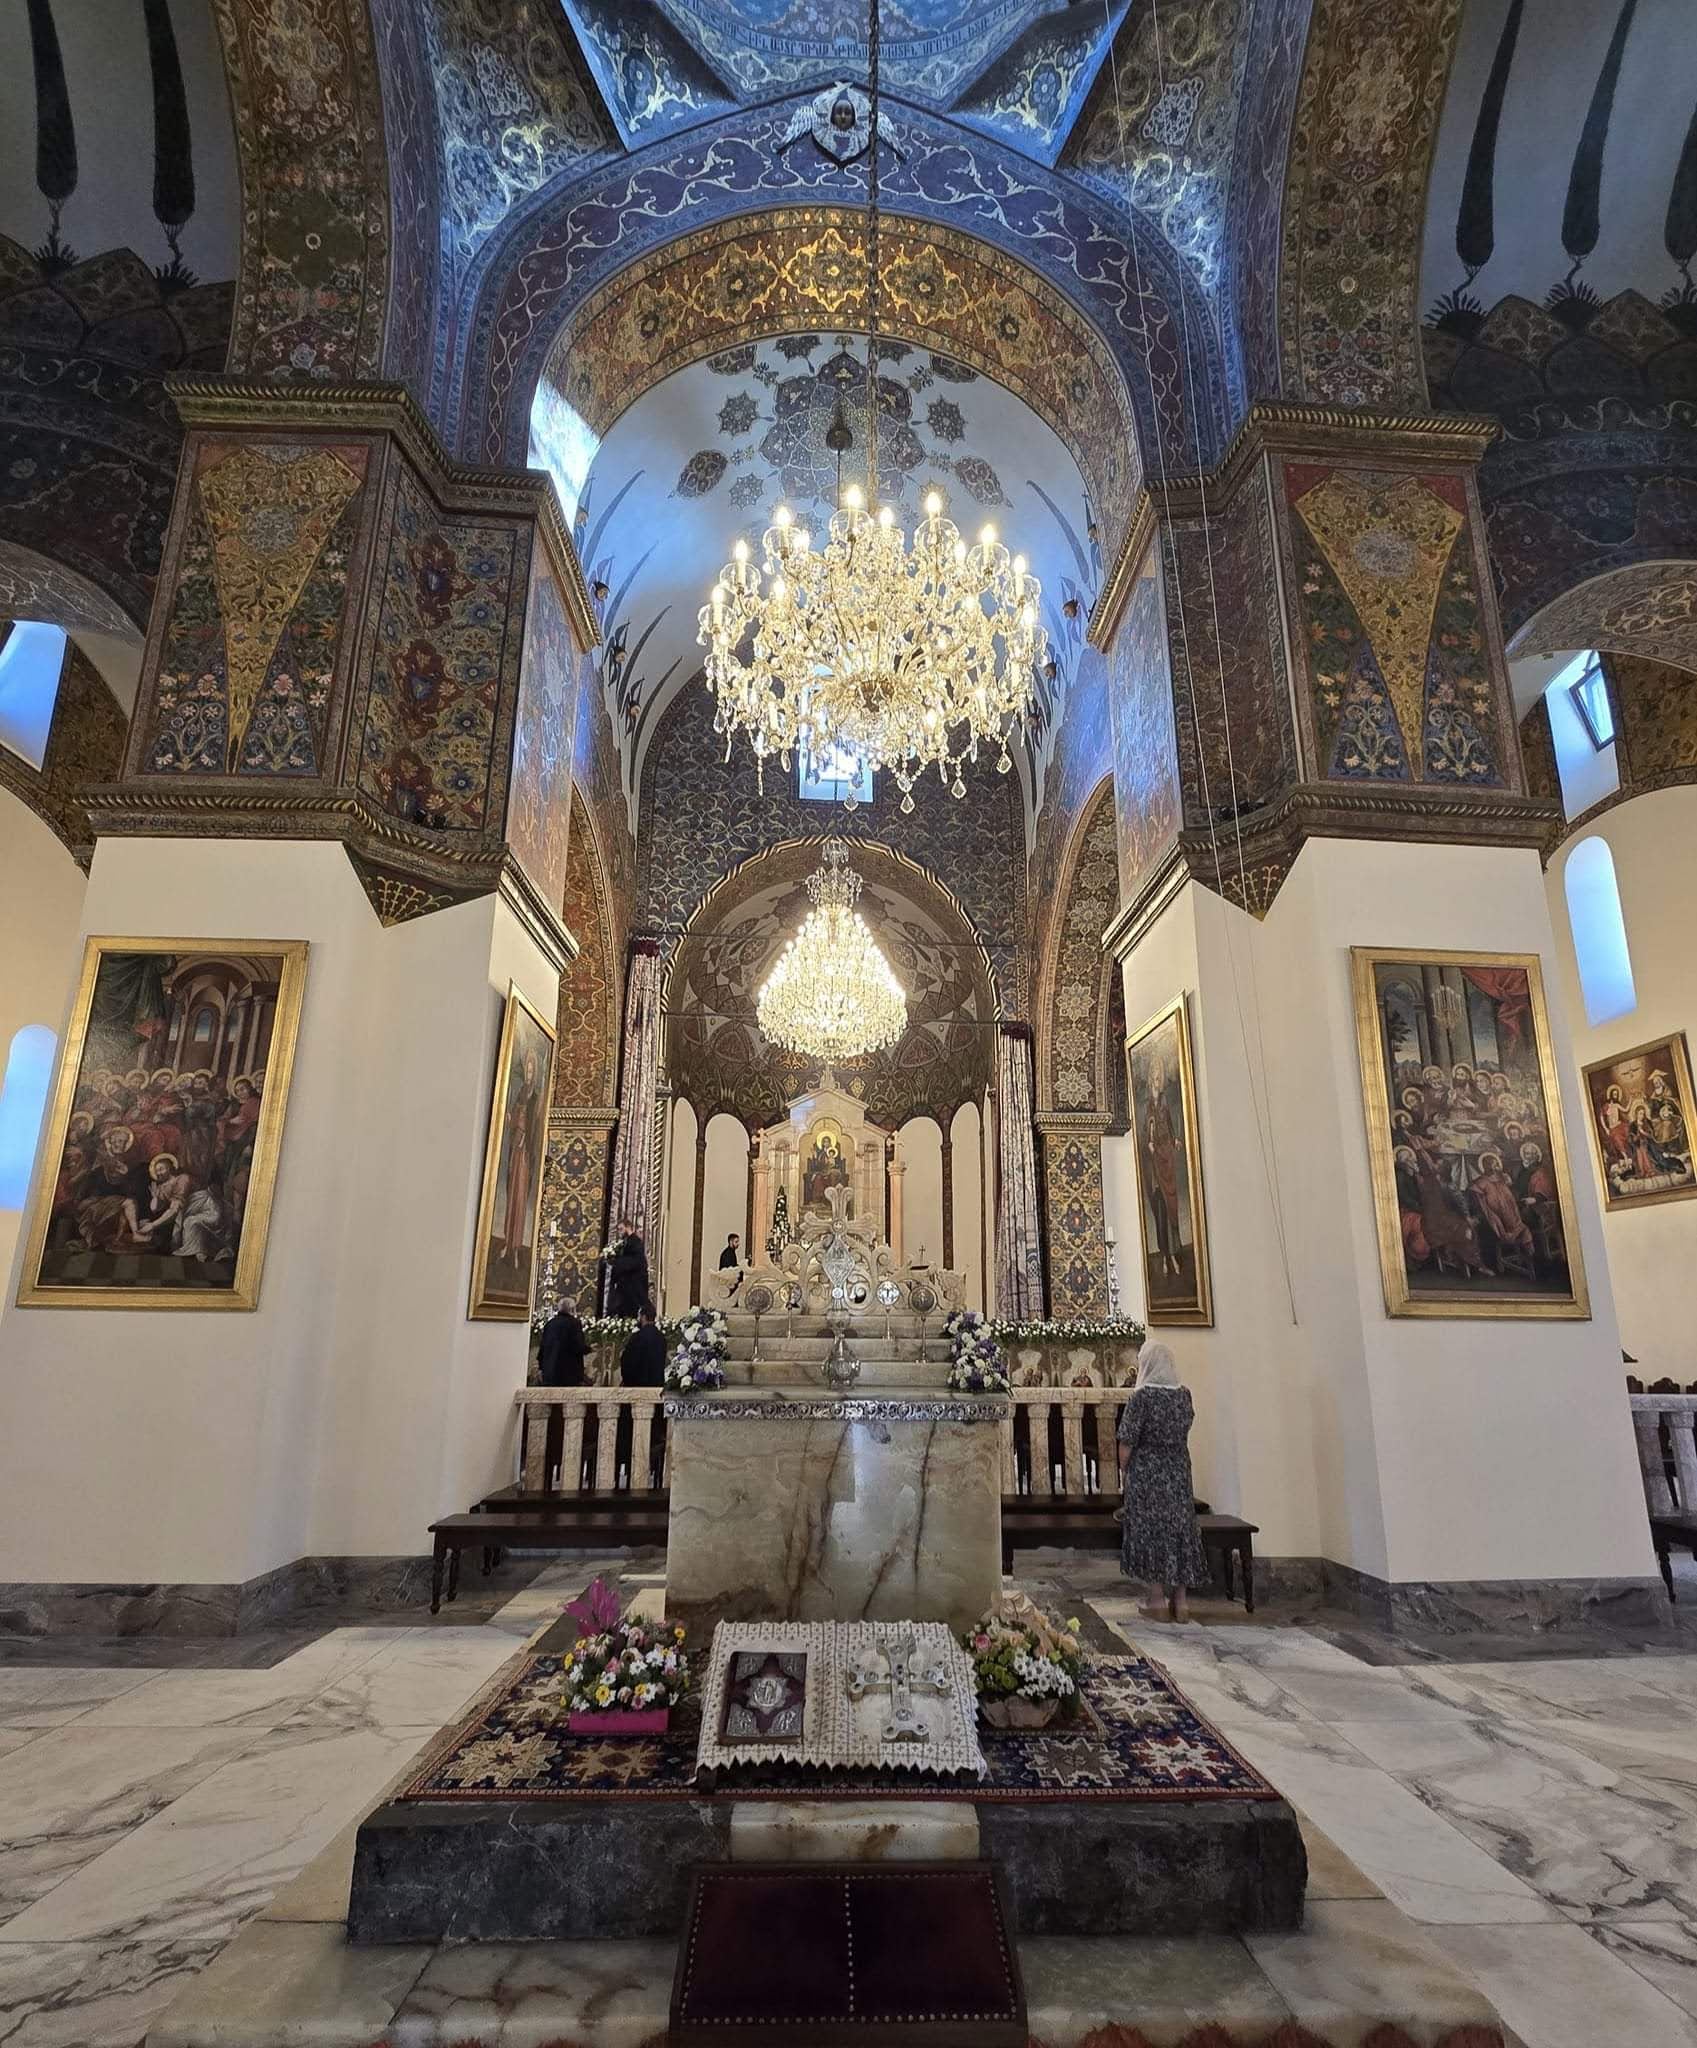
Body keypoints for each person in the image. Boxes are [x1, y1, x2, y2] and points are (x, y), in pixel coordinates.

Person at [1116, 1343, 1210, 1622]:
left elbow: (1127, 1441)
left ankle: (1156, 1599)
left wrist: (1125, 1470)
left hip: (1147, 1473)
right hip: (1179, 1471)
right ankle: (1181, 1602)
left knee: (1150, 1531)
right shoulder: (1184, 1395)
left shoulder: (1142, 1398)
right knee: (1180, 1530)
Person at [537, 1302, 588, 1388]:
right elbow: (578, 1347)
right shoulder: (574, 1323)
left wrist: (541, 1368)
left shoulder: (550, 1324)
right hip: (569, 1373)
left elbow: (543, 1348)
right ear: (572, 1310)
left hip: (550, 1372)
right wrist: (589, 1349)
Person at [619, 1301, 666, 1388]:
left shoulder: (637, 1337)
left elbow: (628, 1361)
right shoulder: (661, 1337)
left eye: (639, 1316)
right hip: (657, 1385)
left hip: (638, 1385)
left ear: (643, 1317)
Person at [607, 1221, 649, 1316]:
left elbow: (636, 1261)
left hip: (633, 1286)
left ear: (628, 1227)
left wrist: (618, 1262)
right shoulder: (625, 1242)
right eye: (618, 1230)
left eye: (621, 1229)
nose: (619, 1232)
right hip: (625, 1286)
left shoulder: (635, 1242)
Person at [718, 1231, 743, 1296]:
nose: (738, 1244)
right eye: (736, 1242)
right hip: (728, 1282)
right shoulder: (728, 1254)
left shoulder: (731, 1252)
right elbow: (729, 1269)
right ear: (731, 1242)